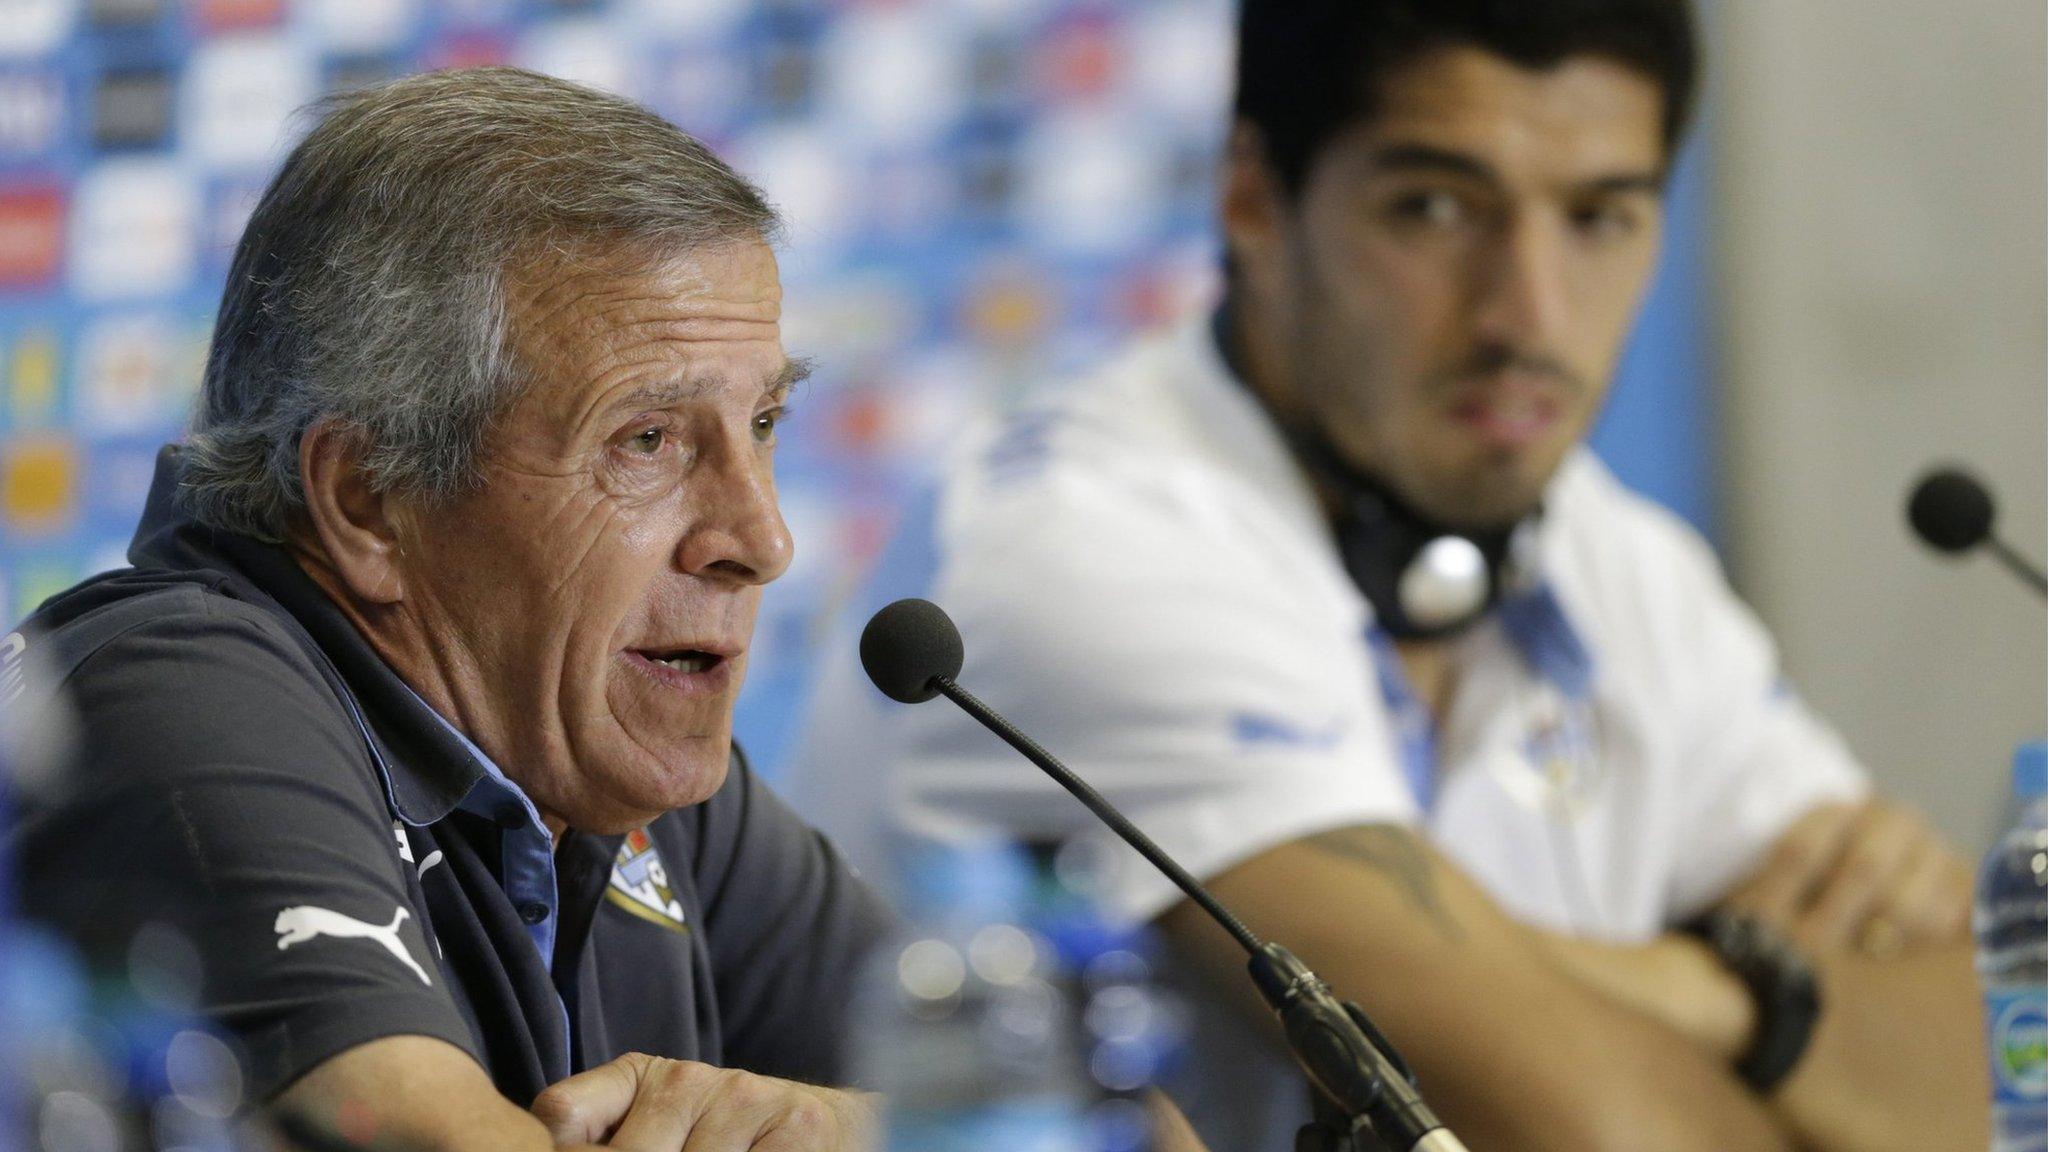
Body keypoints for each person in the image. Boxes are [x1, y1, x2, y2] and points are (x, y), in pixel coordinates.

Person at [784, 3, 1987, 1151]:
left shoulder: (1620, 561)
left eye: (1598, 217)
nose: (1527, 311)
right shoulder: (1076, 546)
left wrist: (1715, 994)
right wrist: (1764, 985)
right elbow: (1590, 1133)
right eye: (1433, 208)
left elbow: (1983, 1090)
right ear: (1252, 194)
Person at [5, 68, 891, 1152]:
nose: (761, 541)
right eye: (646, 441)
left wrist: (846, 1130)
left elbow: (1093, 1111)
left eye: (760, 423)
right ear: (368, 500)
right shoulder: (172, 688)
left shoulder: (615, 754)